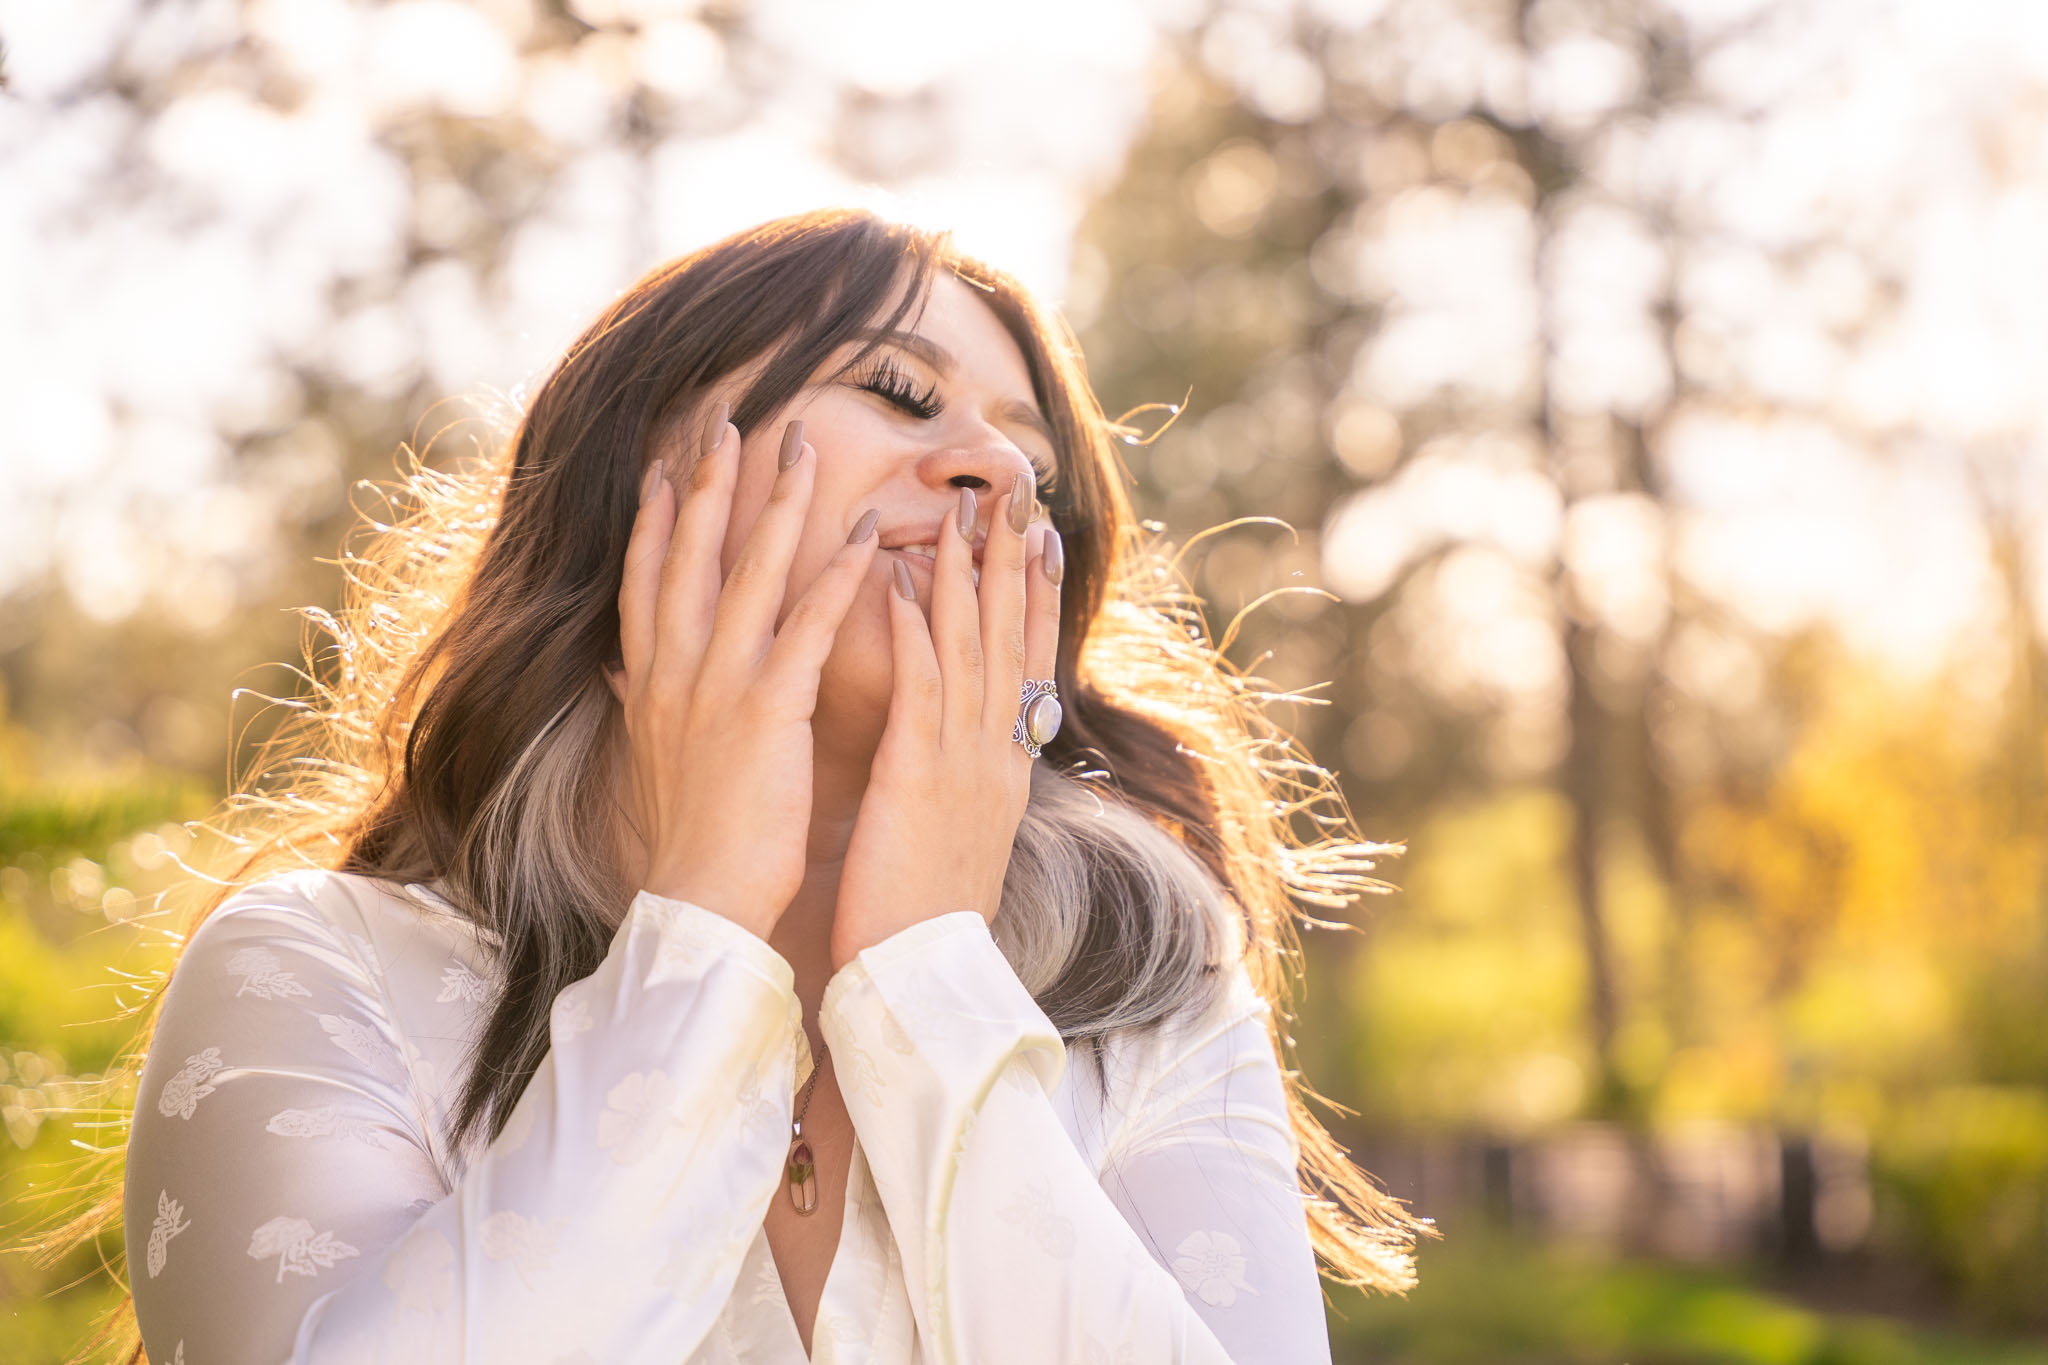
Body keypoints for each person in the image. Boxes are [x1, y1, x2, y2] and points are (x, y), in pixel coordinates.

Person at [106, 209, 1422, 1364]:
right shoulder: (323, 974)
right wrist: (707, 930)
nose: (999, 470)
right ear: (639, 486)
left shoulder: (1154, 995)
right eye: (900, 394)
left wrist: (929, 979)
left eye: (1037, 465)